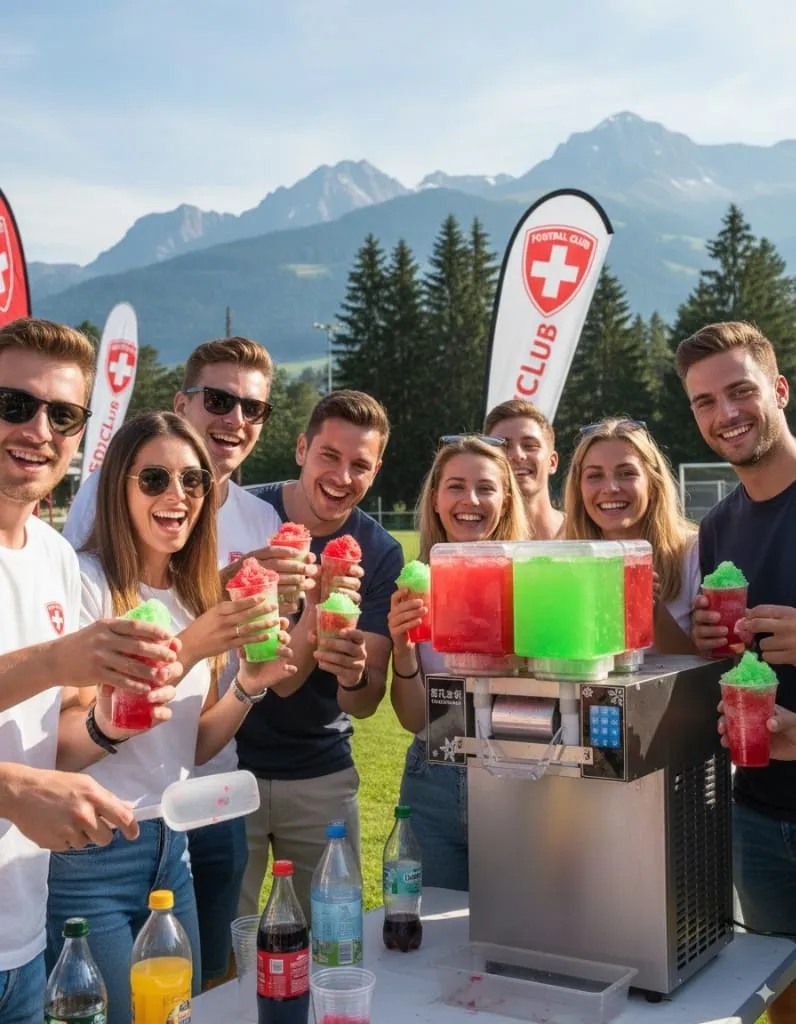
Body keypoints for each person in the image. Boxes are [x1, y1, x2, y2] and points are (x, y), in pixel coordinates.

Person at [63, 336, 303, 988]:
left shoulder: (191, 590)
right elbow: (67, 746)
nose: (179, 494)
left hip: (175, 842)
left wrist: (250, 685)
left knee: (181, 1009)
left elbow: (189, 743)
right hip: (99, 849)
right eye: (155, 479)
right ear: (119, 487)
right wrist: (195, 643)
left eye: (193, 481)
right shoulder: (87, 580)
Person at [0, 318, 181, 1024]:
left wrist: (109, 723)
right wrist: (55, 660)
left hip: (22, 935)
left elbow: (51, 742)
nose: (39, 429)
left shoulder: (51, 556)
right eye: (15, 405)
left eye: (64, 415)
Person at [238, 389, 403, 919]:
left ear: (375, 472)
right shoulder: (243, 514)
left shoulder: (377, 551)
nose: (342, 476)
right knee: (223, 947)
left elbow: (363, 700)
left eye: (360, 465)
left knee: (331, 938)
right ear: (301, 448)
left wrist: (353, 674)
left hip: (319, 771)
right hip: (225, 764)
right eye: (329, 456)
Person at [680, 321, 796, 1024]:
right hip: (756, 811)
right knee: (781, 998)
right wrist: (708, 644)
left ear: (778, 391)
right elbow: (738, 670)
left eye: (741, 391)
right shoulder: (718, 528)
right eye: (704, 402)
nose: (726, 415)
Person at [387, 435, 529, 890]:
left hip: (519, 779)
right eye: (455, 486)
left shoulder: (534, 578)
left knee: (515, 935)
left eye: (486, 488)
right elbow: (415, 720)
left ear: (506, 499)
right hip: (433, 779)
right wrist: (403, 648)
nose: (471, 500)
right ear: (435, 497)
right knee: (429, 937)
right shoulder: (416, 583)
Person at [563, 417, 699, 652]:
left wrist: (652, 611)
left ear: (652, 482)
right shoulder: (563, 562)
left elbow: (711, 669)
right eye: (595, 476)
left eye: (626, 473)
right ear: (579, 489)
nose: (611, 488)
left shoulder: (693, 552)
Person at [484, 398, 564, 538]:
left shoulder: (586, 534)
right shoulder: (477, 544)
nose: (517, 455)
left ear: (552, 462)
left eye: (530, 446)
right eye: (504, 447)